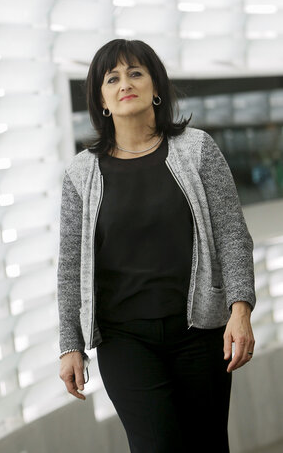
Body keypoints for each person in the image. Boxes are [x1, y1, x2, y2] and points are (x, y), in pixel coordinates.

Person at [56, 39, 256, 453]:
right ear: (102, 99)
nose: (125, 83)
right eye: (112, 78)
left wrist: (240, 310)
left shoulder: (198, 150)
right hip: (124, 341)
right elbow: (70, 265)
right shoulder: (81, 173)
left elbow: (232, 234)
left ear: (155, 87)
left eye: (135, 73)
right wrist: (70, 344)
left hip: (200, 333)